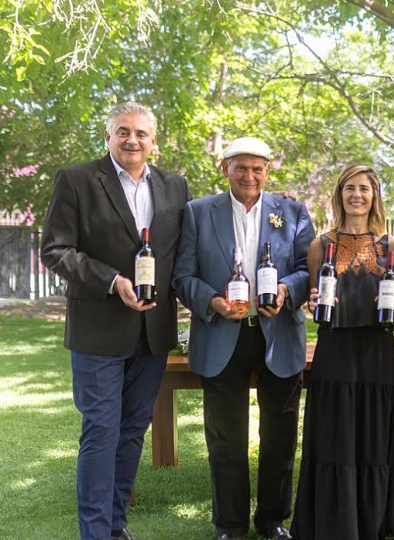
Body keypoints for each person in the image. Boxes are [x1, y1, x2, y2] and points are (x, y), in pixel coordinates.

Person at [40, 102, 191, 540]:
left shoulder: (175, 186)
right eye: (123, 131)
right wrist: (111, 281)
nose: (132, 140)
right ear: (108, 137)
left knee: (132, 432)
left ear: (153, 140)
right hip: (98, 331)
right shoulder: (78, 180)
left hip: (153, 332)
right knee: (102, 431)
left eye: (141, 133)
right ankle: (95, 532)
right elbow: (55, 250)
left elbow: (184, 252)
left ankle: (115, 525)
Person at [171, 136, 314, 540]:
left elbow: (308, 268)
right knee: (225, 439)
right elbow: (182, 276)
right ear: (225, 169)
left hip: (278, 334)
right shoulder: (198, 212)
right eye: (241, 167)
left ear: (267, 171)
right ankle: (230, 524)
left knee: (280, 435)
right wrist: (212, 302)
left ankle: (272, 519)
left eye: (257, 168)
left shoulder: (293, 212)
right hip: (221, 335)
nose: (249, 175)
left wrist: (285, 291)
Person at [291, 165, 394, 540]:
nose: (356, 195)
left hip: (377, 350)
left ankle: (375, 521)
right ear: (339, 195)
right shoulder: (321, 245)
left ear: (374, 195)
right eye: (349, 188)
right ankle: (334, 522)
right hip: (335, 348)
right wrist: (313, 302)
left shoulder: (391, 247)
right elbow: (314, 300)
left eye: (364, 188)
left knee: (375, 433)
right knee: (334, 432)